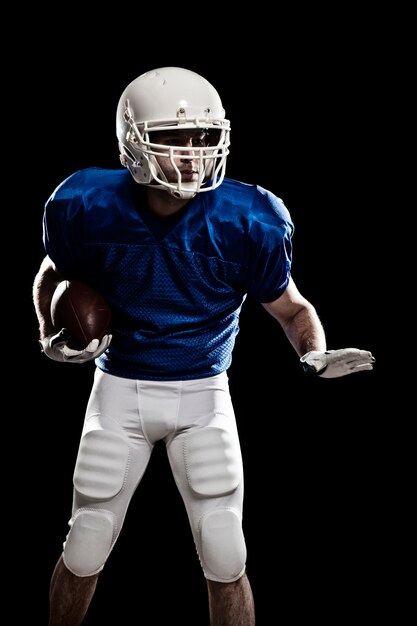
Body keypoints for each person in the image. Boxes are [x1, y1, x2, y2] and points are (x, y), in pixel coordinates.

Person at [33, 66, 375, 626]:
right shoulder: (87, 204)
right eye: (173, 138)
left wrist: (313, 354)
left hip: (203, 394)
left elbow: (293, 310)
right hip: (119, 389)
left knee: (225, 550)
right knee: (85, 541)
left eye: (203, 138)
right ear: (134, 142)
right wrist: (48, 327)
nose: (193, 154)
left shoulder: (249, 219)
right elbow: (51, 273)